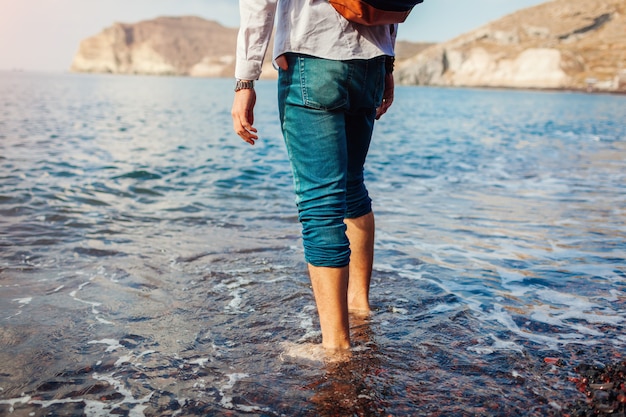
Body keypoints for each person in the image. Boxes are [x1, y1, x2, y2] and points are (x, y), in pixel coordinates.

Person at [231, 0, 396, 353]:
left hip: (312, 55)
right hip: (372, 60)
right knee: (352, 187)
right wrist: (388, 62)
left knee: (321, 203)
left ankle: (336, 348)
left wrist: (245, 79)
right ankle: (359, 307)